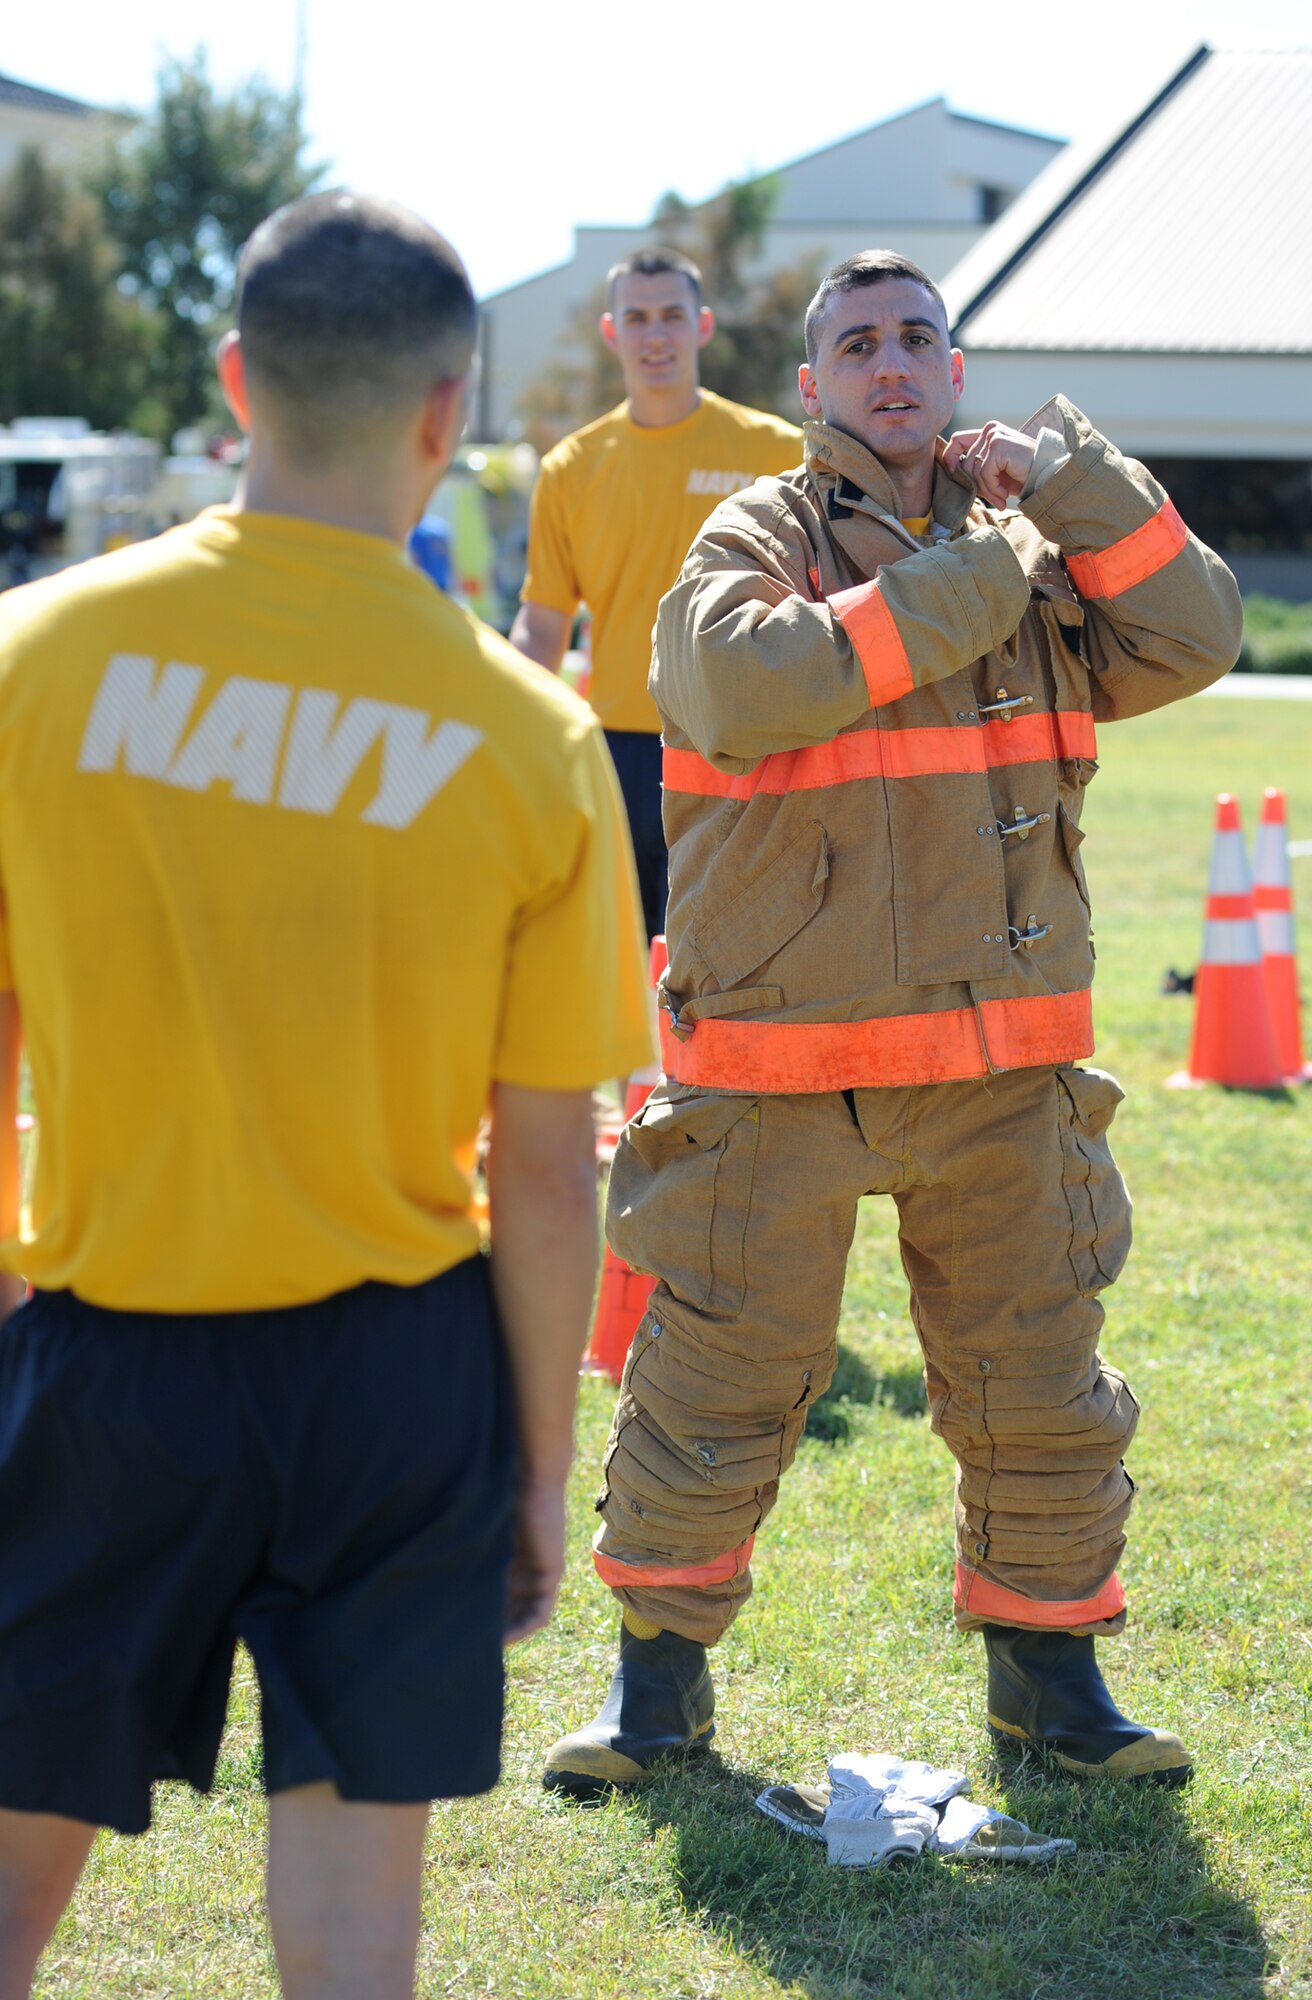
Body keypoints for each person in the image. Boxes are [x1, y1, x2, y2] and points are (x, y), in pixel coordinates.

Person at [0, 192, 651, 1999]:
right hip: (393, 1377)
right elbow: (541, 1166)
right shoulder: (532, 738)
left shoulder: (28, 665)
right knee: (357, 1928)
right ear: (450, 413)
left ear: (233, 384)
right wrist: (537, 1469)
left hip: (104, 1349)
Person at [543, 250, 1243, 1798]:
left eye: (920, 337)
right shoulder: (760, 532)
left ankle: (1053, 1692)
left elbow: (1198, 636)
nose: (892, 362)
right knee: (715, 1384)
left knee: (1040, 1386)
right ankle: (656, 1699)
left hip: (1001, 1070)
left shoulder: (1037, 543)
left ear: (956, 371)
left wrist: (1074, 483)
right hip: (780, 1072)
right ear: (813, 387)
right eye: (858, 343)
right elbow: (731, 680)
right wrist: (966, 585)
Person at [509, 248, 801, 939]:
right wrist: (503, 713)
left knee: (743, 949)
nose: (655, 335)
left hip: (740, 736)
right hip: (621, 750)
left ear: (702, 326)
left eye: (671, 315)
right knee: (629, 953)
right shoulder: (571, 469)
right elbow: (543, 622)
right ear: (612, 333)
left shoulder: (774, 451)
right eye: (636, 318)